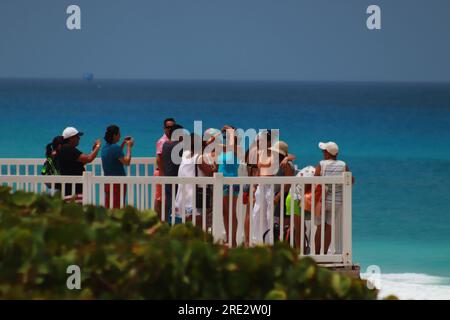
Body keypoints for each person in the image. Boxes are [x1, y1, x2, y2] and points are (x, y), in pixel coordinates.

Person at [314, 141, 355, 255]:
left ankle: (317, 254)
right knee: (329, 227)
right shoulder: (343, 165)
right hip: (336, 202)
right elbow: (351, 180)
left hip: (322, 201)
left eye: (323, 151)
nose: (322, 153)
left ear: (327, 153)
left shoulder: (322, 164)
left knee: (320, 227)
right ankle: (325, 253)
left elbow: (315, 180)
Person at [57, 127, 101, 200]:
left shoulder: (64, 149)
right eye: (77, 137)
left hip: (70, 189)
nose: (79, 139)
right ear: (71, 138)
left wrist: (93, 151)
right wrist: (98, 146)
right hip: (74, 190)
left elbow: (81, 162)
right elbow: (88, 159)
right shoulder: (69, 149)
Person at [217, 125, 241, 247]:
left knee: (231, 212)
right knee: (225, 212)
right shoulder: (224, 150)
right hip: (222, 182)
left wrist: (230, 130)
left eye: (229, 136)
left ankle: (233, 240)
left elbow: (231, 147)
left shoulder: (236, 148)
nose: (226, 137)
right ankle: (228, 237)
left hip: (231, 182)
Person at [101, 125, 134, 209]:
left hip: (107, 182)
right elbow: (126, 162)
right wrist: (129, 147)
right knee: (117, 207)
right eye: (119, 134)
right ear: (114, 135)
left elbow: (116, 155)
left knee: (109, 206)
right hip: (117, 183)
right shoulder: (115, 148)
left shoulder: (105, 147)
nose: (120, 135)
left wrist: (123, 143)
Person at [161, 124, 184, 222]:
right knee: (178, 206)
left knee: (170, 203)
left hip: (168, 178)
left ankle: (169, 225)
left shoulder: (165, 144)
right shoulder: (178, 146)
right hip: (177, 180)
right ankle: (176, 225)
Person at [154, 118, 176, 219]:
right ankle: (159, 223)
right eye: (168, 127)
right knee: (160, 199)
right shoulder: (162, 141)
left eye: (173, 127)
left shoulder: (173, 141)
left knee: (167, 199)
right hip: (162, 173)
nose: (170, 129)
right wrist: (163, 176)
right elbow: (159, 159)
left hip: (168, 174)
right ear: (164, 128)